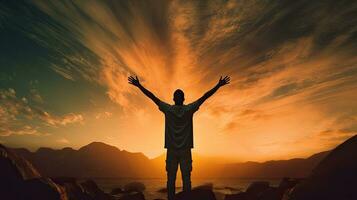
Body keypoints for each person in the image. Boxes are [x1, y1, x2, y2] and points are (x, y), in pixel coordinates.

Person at [128, 75, 230, 200]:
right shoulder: (189, 109)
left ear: (173, 99)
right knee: (186, 179)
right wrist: (218, 85)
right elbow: (205, 97)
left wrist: (139, 86)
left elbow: (152, 97)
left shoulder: (168, 109)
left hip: (171, 150)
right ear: (184, 99)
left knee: (171, 179)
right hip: (186, 150)